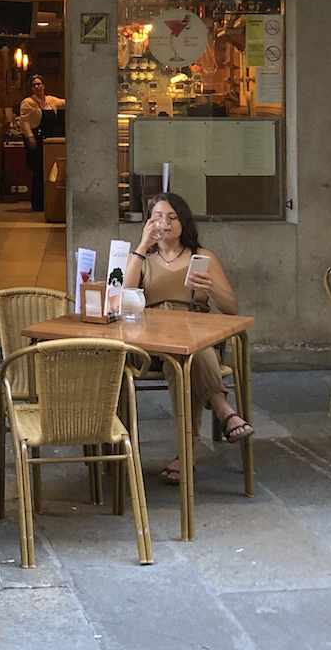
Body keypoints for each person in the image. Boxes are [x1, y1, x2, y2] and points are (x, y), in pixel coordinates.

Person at [124, 191, 253, 484]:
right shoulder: (142, 258)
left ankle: (186, 452)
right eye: (158, 217)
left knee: (185, 359)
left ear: (183, 222)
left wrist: (211, 288)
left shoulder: (202, 257)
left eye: (172, 217)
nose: (165, 223)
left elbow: (232, 308)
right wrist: (142, 245)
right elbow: (123, 300)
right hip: (150, 343)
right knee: (185, 355)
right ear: (148, 222)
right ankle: (224, 409)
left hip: (192, 337)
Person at [18, 74, 65, 212]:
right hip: (36, 140)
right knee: (38, 171)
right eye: (34, 85)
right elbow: (24, 122)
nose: (37, 87)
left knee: (50, 170)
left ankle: (49, 201)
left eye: (39, 84)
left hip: (50, 140)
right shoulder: (28, 102)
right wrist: (30, 138)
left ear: (44, 85)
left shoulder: (51, 100)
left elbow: (64, 103)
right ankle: (37, 203)